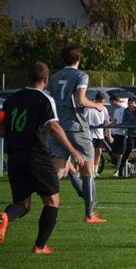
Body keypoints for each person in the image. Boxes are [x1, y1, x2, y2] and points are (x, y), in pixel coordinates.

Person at [0, 62, 85, 253]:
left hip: (14, 158)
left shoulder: (11, 100)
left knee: (22, 204)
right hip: (36, 156)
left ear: (27, 78)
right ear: (46, 80)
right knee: (52, 201)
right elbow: (53, 127)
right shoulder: (44, 100)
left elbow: (2, 128)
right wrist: (73, 151)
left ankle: (5, 217)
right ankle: (39, 246)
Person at [45, 42, 107, 223]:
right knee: (88, 171)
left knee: (58, 171)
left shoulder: (54, 77)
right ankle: (90, 214)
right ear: (78, 58)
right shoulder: (81, 75)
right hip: (77, 127)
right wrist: (96, 105)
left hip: (58, 127)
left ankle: (44, 202)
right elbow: (80, 100)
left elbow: (47, 99)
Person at [85, 91, 111, 177]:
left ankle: (95, 171)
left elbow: (107, 121)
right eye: (100, 102)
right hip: (90, 134)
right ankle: (90, 170)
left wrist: (109, 133)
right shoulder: (89, 108)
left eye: (103, 102)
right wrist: (91, 125)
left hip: (100, 134)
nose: (101, 104)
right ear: (96, 100)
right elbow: (83, 120)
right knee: (91, 152)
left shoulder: (104, 109)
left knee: (99, 152)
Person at [121, 97, 136, 177]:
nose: (131, 105)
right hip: (130, 134)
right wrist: (129, 124)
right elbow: (124, 121)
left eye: (132, 103)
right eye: (129, 103)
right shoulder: (126, 111)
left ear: (135, 103)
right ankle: (121, 169)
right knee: (128, 150)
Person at [109, 94, 126, 178]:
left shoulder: (124, 109)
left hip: (123, 134)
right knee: (114, 154)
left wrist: (118, 125)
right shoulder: (116, 110)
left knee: (119, 154)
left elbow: (124, 121)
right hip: (116, 134)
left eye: (111, 103)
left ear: (114, 101)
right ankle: (127, 165)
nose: (111, 105)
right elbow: (115, 121)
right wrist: (108, 126)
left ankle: (117, 171)